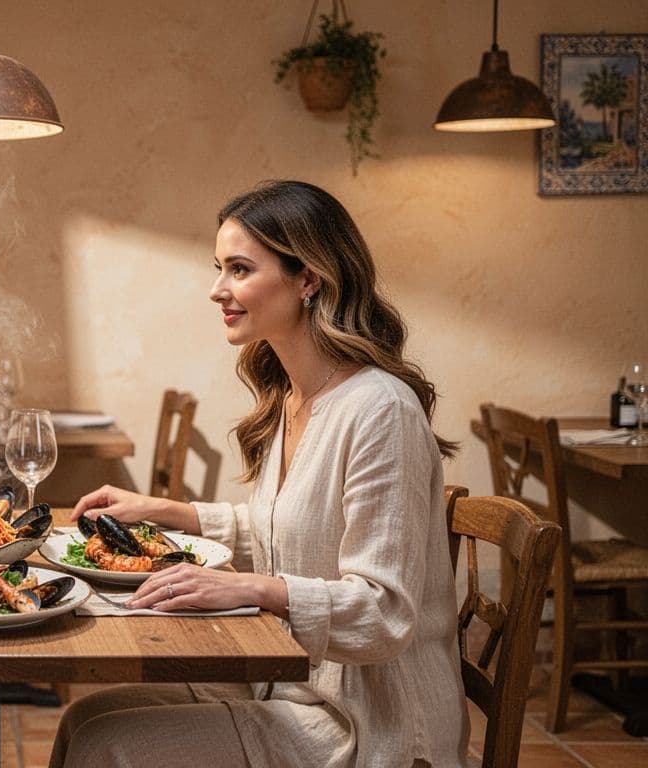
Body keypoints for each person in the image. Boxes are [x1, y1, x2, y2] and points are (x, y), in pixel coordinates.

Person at [50, 180, 466, 768]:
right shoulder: (296, 396)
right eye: (220, 268)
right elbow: (287, 529)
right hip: (294, 686)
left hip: (371, 726)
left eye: (239, 269)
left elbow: (383, 613)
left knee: (105, 745)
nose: (217, 289)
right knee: (84, 717)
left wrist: (250, 587)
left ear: (309, 278)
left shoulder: (380, 410)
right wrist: (163, 510)